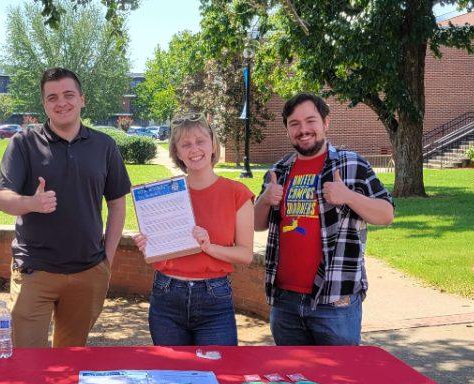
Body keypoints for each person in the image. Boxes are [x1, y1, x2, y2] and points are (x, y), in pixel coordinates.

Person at [0, 68, 132, 348]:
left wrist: (108, 259)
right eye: (52, 97)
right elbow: (2, 198)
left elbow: (117, 203)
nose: (62, 103)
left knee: (70, 362)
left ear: (82, 99)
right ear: (44, 104)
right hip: (35, 270)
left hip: (88, 272)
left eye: (69, 95)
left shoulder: (104, 145)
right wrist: (30, 203)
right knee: (27, 359)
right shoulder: (24, 143)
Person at [254, 93, 395, 346]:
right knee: (292, 380)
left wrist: (349, 196)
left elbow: (386, 214)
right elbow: (256, 224)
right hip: (286, 301)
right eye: (294, 123)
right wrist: (265, 199)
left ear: (326, 123)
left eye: (311, 121)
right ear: (287, 129)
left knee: (340, 381)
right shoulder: (278, 171)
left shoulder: (352, 165)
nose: (303, 129)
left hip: (335, 301)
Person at [133, 115, 254, 345]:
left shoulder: (237, 193)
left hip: (214, 297)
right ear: (177, 152)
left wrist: (209, 248)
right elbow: (157, 252)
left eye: (200, 141)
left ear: (213, 145)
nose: (194, 149)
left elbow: (246, 255)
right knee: (173, 375)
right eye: (185, 144)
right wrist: (149, 243)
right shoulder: (164, 195)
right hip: (166, 294)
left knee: (218, 373)